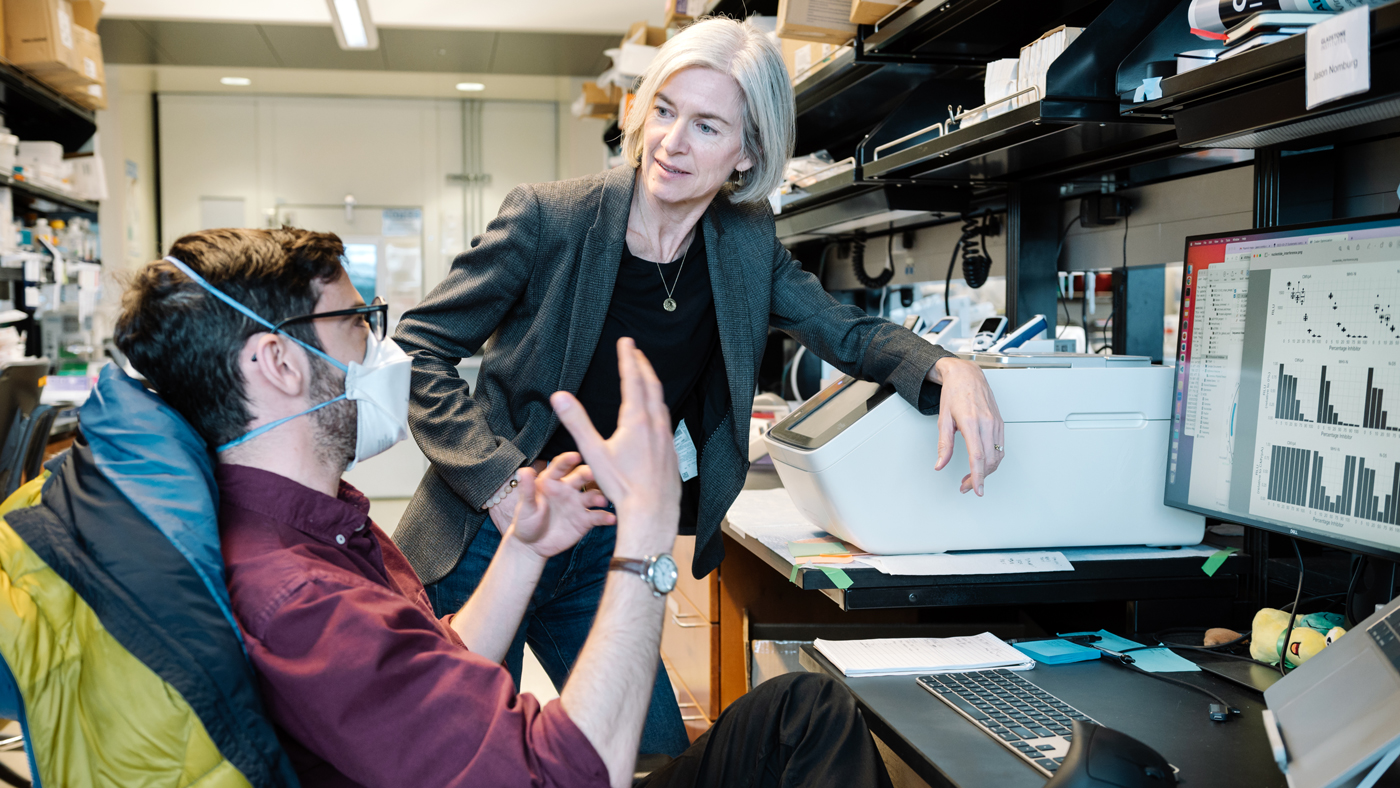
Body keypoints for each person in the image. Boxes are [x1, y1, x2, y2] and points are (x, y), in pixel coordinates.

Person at [392, 15, 1007, 754]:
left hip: (599, 543)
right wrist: (497, 482)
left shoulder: (743, 243)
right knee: (462, 758)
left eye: (707, 126)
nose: (671, 143)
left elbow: (842, 332)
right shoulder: (552, 218)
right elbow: (418, 346)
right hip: (487, 537)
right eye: (664, 110)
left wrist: (948, 366)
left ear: (747, 154)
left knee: (654, 756)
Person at [111, 227, 897, 788]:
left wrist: (523, 549)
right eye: (356, 321)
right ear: (277, 360)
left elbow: (432, 665)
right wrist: (646, 543)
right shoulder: (298, 597)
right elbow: (568, 771)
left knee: (800, 710)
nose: (382, 349)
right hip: (545, 769)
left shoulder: (318, 524)